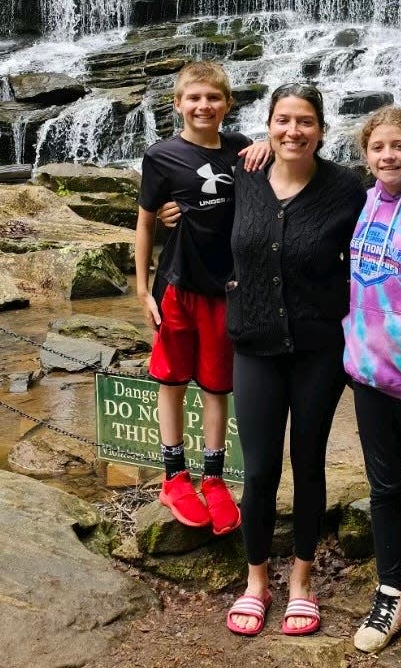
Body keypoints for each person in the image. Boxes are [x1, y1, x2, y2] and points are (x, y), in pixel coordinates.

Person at [224, 83, 366, 637]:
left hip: (317, 350)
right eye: (283, 120)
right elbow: (201, 218)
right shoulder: (244, 176)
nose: (293, 131)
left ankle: (302, 582)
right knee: (258, 470)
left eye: (305, 121)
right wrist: (162, 216)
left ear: (322, 130)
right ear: (268, 125)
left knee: (308, 464)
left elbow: (380, 246)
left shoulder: (345, 188)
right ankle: (256, 581)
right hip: (254, 345)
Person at [135, 60, 267, 535]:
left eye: (213, 98)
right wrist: (139, 287)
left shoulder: (241, 149)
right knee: (170, 378)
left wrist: (269, 142)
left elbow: (274, 162)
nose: (203, 105)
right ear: (178, 104)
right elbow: (147, 220)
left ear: (227, 104)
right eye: (194, 98)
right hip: (176, 284)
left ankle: (213, 477)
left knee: (216, 383)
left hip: (225, 287)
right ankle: (174, 474)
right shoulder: (161, 155)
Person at [344, 106, 401, 657]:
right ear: (366, 155)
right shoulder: (366, 203)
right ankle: (390, 591)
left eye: (399, 146)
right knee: (382, 490)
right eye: (378, 148)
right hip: (368, 376)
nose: (388, 156)